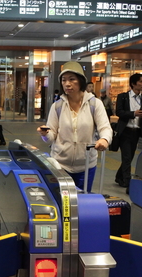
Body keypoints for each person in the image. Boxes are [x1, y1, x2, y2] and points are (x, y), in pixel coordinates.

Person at [37, 61, 112, 192]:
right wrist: (45, 134)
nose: (67, 83)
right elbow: (51, 136)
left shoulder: (95, 104)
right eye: (64, 80)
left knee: (83, 201)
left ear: (81, 81)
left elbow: (105, 127)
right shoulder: (57, 106)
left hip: (86, 165)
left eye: (72, 79)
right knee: (61, 200)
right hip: (60, 165)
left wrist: (104, 139)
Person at [114, 73, 142, 190]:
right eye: (140, 81)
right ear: (133, 83)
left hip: (136, 132)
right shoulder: (123, 97)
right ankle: (127, 182)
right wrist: (133, 114)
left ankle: (119, 177)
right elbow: (119, 112)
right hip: (125, 131)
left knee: (130, 157)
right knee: (126, 157)